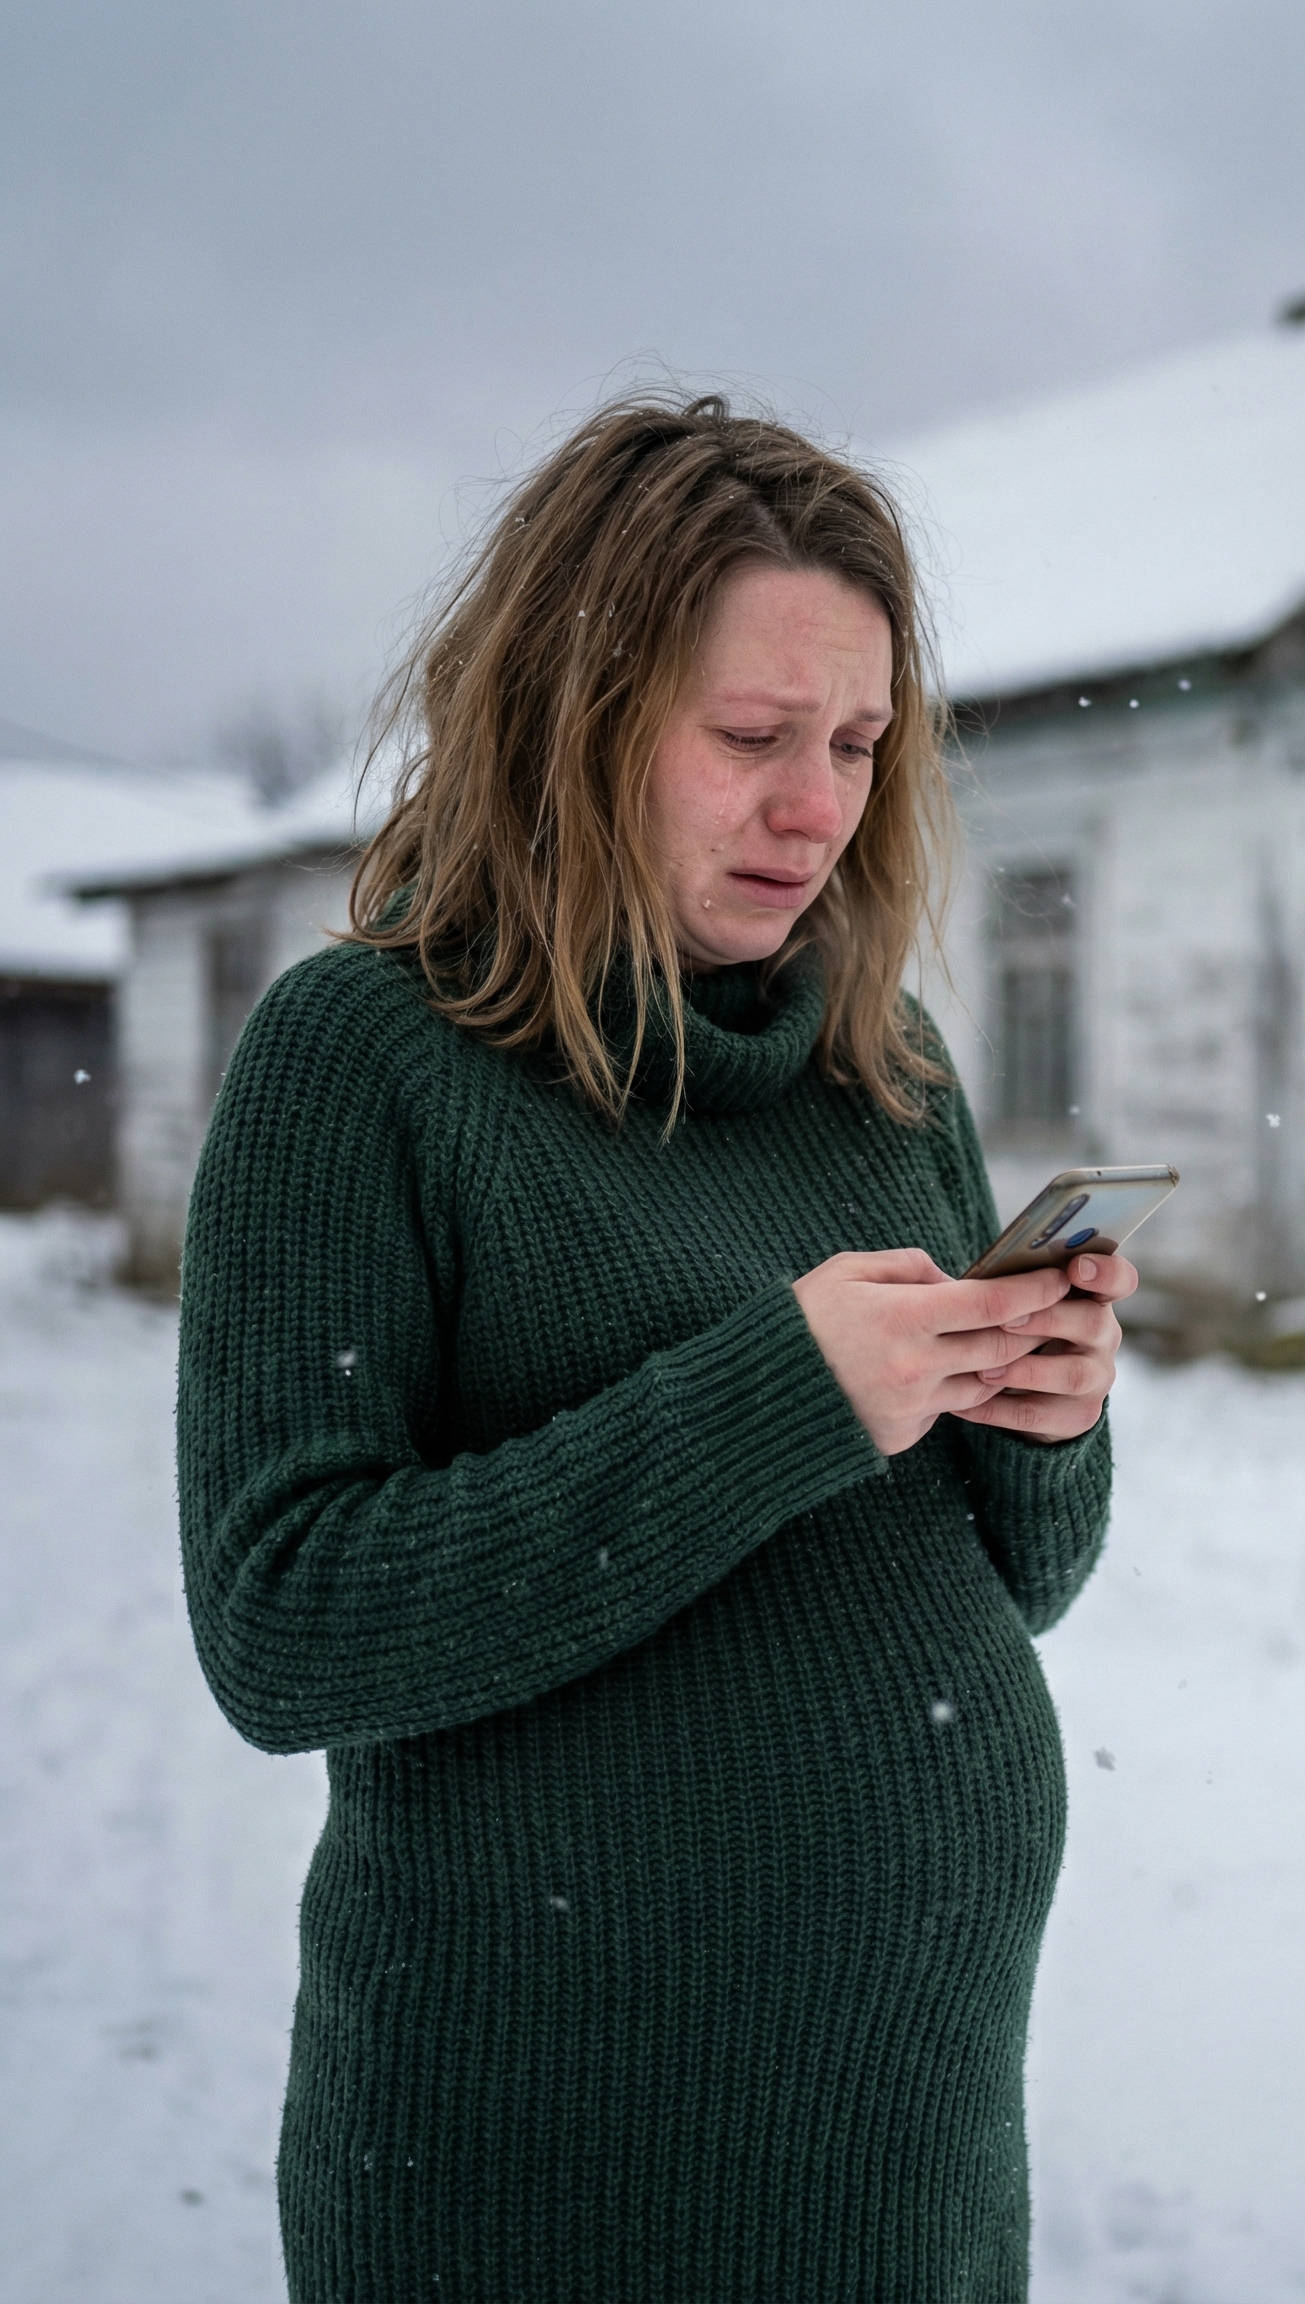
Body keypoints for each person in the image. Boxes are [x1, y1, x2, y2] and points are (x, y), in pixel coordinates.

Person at [176, 393, 1134, 2302]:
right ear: (575, 711)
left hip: (908, 2162)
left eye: (860, 744)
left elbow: (1008, 1588)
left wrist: (1045, 1424)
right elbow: (283, 1626)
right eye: (754, 738)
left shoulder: (887, 1077)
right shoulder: (362, 1065)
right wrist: (773, 1399)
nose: (820, 807)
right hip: (548, 2176)